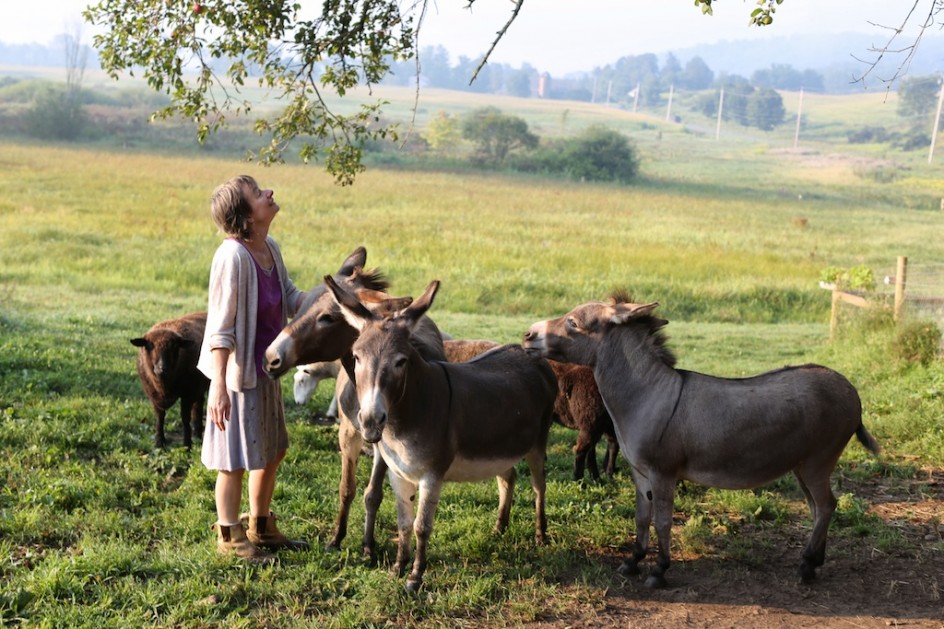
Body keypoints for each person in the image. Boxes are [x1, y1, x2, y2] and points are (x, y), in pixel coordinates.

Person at [197, 175, 309, 562]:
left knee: (273, 450)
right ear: (245, 216)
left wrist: (333, 292)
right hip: (237, 378)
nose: (270, 193)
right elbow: (220, 328)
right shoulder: (232, 257)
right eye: (259, 194)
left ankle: (259, 526)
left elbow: (292, 297)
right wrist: (218, 386)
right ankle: (229, 538)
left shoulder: (269, 248)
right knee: (232, 461)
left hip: (267, 371)